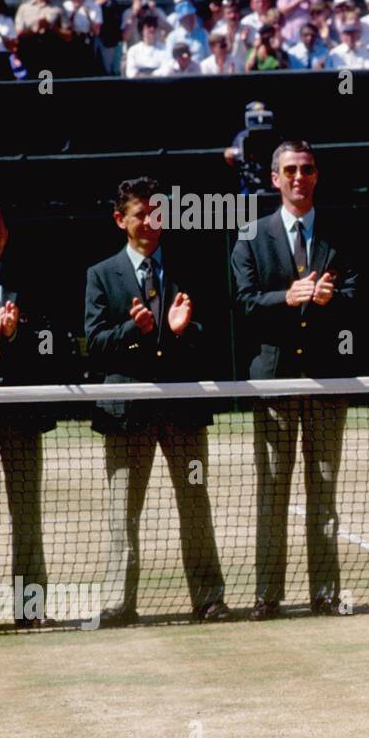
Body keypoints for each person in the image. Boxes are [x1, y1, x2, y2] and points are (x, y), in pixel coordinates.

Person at [84, 177, 231, 627]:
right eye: (140, 214)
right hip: (126, 415)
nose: (150, 222)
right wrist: (135, 330)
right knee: (122, 512)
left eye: (158, 213)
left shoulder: (193, 266)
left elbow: (216, 339)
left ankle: (209, 600)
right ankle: (119, 604)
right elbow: (94, 343)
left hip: (183, 412)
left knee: (195, 505)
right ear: (120, 220)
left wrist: (184, 329)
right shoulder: (101, 275)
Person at [231, 140, 360, 619]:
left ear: (316, 175)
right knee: (272, 491)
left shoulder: (338, 231)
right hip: (274, 383)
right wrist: (285, 297)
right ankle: (268, 595)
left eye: (306, 169)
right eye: (290, 170)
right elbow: (243, 303)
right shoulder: (251, 235)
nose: (299, 177)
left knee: (323, 490)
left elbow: (356, 293)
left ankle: (325, 593)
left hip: (327, 383)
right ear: (275, 178)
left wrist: (332, 298)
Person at [0, 206, 61, 627]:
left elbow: (51, 340)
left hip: (19, 410)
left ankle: (30, 610)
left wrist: (17, 334)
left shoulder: (29, 276)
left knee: (27, 513)